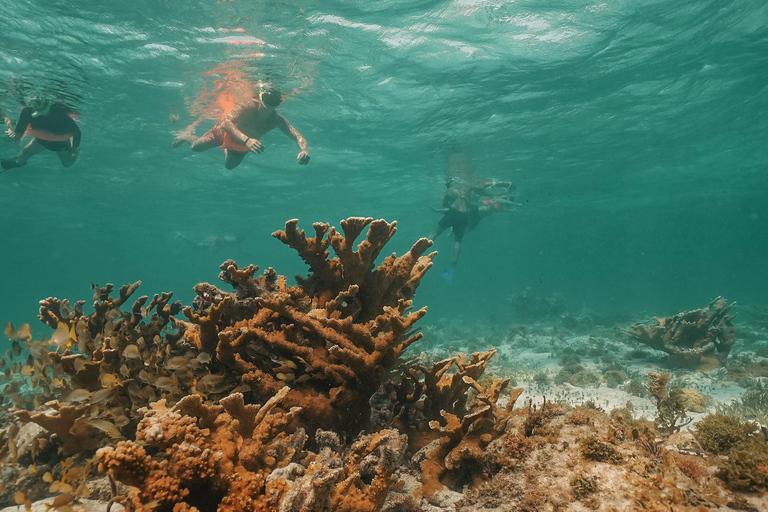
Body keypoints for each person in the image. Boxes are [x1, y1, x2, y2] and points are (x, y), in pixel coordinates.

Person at [429, 154, 518, 281]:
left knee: (434, 234)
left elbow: (446, 207)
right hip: (464, 216)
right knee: (458, 241)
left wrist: (439, 210)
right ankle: (454, 260)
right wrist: (499, 184)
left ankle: (420, 251)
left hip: (452, 213)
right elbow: (482, 187)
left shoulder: (449, 191)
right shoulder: (467, 186)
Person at [173, 87, 310, 170]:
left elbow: (298, 136)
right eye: (267, 101)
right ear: (261, 98)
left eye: (274, 103)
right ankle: (186, 136)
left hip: (244, 144)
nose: (269, 107)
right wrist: (247, 140)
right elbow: (225, 124)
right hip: (224, 134)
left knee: (229, 166)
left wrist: (304, 150)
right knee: (195, 147)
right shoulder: (248, 106)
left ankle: (228, 149)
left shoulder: (277, 120)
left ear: (278, 104)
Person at [2, 97, 81, 171]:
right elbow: (18, 134)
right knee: (23, 156)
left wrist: (74, 149)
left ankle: (74, 146)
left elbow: (77, 132)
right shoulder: (27, 111)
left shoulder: (59, 113)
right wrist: (12, 132)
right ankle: (17, 162)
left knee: (67, 164)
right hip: (40, 140)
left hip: (60, 144)